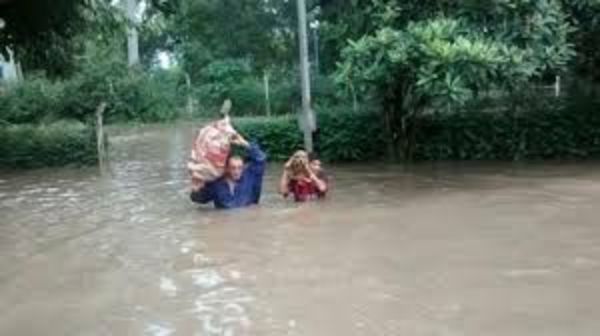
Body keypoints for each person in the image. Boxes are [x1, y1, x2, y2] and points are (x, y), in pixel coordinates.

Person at [190, 133, 267, 209]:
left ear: (243, 167)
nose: (237, 171)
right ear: (226, 168)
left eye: (240, 168)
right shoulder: (216, 184)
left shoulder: (251, 177)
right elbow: (199, 200)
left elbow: (261, 158)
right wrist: (195, 190)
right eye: (233, 168)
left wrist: (244, 143)